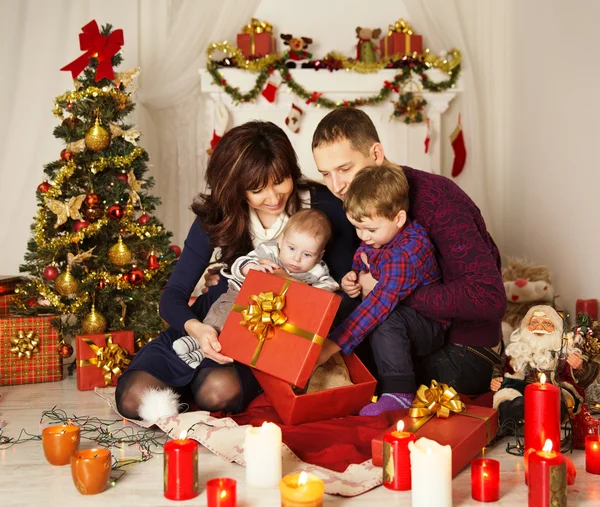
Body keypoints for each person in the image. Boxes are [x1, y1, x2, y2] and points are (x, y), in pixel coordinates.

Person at [115, 121, 356, 421]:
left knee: (215, 391)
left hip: (268, 338)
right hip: (212, 321)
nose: (273, 197)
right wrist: (198, 329)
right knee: (133, 397)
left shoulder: (324, 207)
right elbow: (173, 296)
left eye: (280, 180)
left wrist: (296, 291)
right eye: (257, 189)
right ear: (236, 188)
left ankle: (191, 392)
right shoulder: (218, 216)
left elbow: (347, 296)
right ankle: (185, 375)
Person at [310, 107, 507, 397]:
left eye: (344, 169)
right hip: (414, 333)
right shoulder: (355, 202)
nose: (337, 186)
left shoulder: (436, 197)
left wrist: (387, 290)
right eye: (326, 174)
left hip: (464, 351)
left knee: (362, 345)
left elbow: (489, 299)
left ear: (376, 154)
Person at [319, 164, 447, 415]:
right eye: (357, 228)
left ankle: (400, 392)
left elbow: (379, 305)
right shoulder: (382, 234)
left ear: (399, 218)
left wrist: (332, 345)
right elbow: (364, 256)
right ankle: (355, 376)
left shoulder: (406, 253)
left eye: (370, 230)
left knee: (386, 318)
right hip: (391, 304)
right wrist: (353, 277)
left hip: (428, 325)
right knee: (343, 303)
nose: (363, 236)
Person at [173, 209, 339, 369]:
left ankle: (199, 356)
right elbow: (240, 263)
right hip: (240, 295)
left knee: (243, 337)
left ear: (319, 255)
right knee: (221, 318)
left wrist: (309, 290)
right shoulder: (269, 250)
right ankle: (194, 342)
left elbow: (328, 289)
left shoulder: (317, 270)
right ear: (281, 241)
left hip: (275, 315)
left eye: (307, 255)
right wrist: (252, 268)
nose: (296, 259)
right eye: (292, 248)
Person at [491, 305, 597, 429]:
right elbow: (501, 366)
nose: (539, 327)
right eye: (534, 322)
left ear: (556, 328)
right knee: (508, 394)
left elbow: (585, 380)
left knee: (561, 401)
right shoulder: (519, 349)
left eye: (546, 323)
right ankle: (517, 414)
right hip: (523, 393)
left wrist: (580, 367)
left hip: (555, 391)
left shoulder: (564, 351)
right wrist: (496, 378)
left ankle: (547, 415)